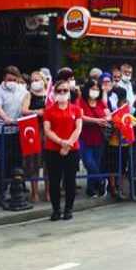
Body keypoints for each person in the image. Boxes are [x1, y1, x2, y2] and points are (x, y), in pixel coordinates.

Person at [42, 80, 83, 221]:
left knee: (70, 181)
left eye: (65, 90)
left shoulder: (76, 109)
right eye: (59, 90)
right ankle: (56, 210)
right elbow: (47, 130)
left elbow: (78, 128)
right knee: (54, 181)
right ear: (54, 93)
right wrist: (61, 142)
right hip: (53, 150)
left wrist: (68, 144)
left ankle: (68, 209)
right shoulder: (48, 110)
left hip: (72, 149)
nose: (62, 93)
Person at [0, 65, 27, 206]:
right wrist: (6, 119)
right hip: (3, 131)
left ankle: (17, 189)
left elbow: (25, 106)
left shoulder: (22, 90)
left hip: (18, 131)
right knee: (3, 162)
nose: (11, 81)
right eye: (9, 79)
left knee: (17, 161)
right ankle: (2, 191)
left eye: (14, 79)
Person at [21, 70, 49, 202]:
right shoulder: (29, 95)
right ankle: (34, 192)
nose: (34, 82)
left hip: (48, 130)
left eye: (37, 79)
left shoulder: (50, 95)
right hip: (33, 129)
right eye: (32, 80)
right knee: (34, 163)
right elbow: (24, 110)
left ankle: (49, 191)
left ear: (43, 81)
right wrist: (36, 112)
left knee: (49, 162)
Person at [80, 78, 110, 198]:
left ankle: (91, 189)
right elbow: (81, 116)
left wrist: (106, 119)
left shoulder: (101, 102)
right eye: (93, 88)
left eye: (97, 89)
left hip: (99, 137)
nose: (95, 91)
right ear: (87, 89)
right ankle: (102, 180)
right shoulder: (81, 101)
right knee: (88, 162)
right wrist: (97, 120)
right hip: (84, 136)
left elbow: (108, 114)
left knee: (96, 163)